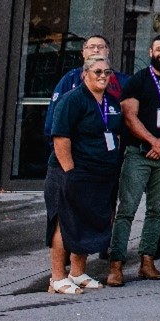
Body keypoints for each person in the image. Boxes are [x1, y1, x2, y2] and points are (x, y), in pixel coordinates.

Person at [106, 34, 160, 286]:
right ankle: (116, 264)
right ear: (151, 52)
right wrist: (153, 142)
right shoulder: (138, 80)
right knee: (127, 210)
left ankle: (147, 261)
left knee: (157, 210)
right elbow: (129, 116)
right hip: (139, 153)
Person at [45, 55, 124, 294]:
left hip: (100, 174)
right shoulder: (72, 100)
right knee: (65, 222)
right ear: (85, 74)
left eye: (107, 72)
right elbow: (61, 138)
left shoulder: (111, 102)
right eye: (97, 72)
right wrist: (70, 173)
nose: (103, 76)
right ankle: (57, 277)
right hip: (71, 172)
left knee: (87, 223)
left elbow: (115, 134)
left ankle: (78, 273)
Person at [43, 35, 126, 142]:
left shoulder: (122, 81)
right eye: (91, 47)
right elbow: (54, 119)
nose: (96, 50)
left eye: (101, 47)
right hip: (78, 147)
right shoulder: (70, 79)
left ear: (108, 51)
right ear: (83, 53)